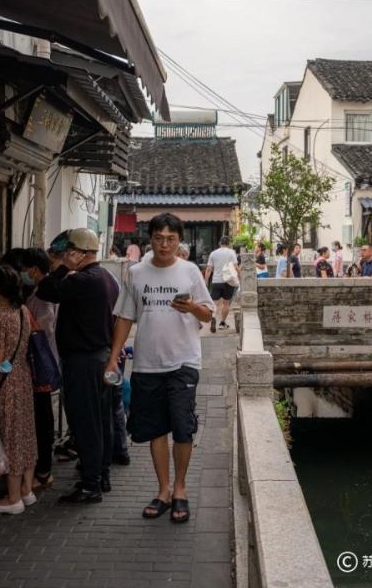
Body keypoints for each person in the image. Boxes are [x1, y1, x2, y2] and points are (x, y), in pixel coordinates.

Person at [107, 212, 214, 524]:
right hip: (147, 364)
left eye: (171, 239)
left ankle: (181, 488)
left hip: (184, 362)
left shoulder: (190, 271)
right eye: (159, 238)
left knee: (182, 427)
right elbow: (125, 317)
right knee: (156, 429)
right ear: (149, 239)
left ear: (179, 241)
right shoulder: (136, 273)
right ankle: (163, 490)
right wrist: (113, 356)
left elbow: (207, 316)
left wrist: (192, 307)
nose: (165, 244)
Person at [37, 228, 118, 503]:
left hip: (83, 362)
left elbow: (46, 290)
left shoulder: (83, 280)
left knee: (85, 422)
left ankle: (90, 484)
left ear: (78, 253)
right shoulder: (106, 278)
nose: (61, 259)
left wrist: (62, 269)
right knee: (100, 420)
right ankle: (101, 475)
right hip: (100, 358)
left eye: (67, 253)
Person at [0, 266, 37, 514]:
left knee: (11, 437)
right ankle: (26, 490)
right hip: (23, 379)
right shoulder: (22, 311)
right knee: (24, 434)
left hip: (7, 385)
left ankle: (12, 498)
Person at [21, 248, 59, 488]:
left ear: (33, 269)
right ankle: (43, 468)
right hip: (43, 363)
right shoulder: (43, 290)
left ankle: (43, 470)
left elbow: (45, 327)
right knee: (43, 416)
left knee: (42, 418)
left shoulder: (44, 293)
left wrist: (24, 322)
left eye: (24, 269)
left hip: (41, 365)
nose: (22, 274)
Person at [205, 235, 238, 332]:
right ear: (229, 244)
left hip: (216, 281)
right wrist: (240, 276)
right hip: (228, 281)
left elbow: (209, 269)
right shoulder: (232, 252)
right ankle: (222, 323)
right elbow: (235, 267)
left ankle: (213, 317)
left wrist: (206, 281)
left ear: (220, 243)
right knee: (226, 303)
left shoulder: (213, 253)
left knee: (214, 303)